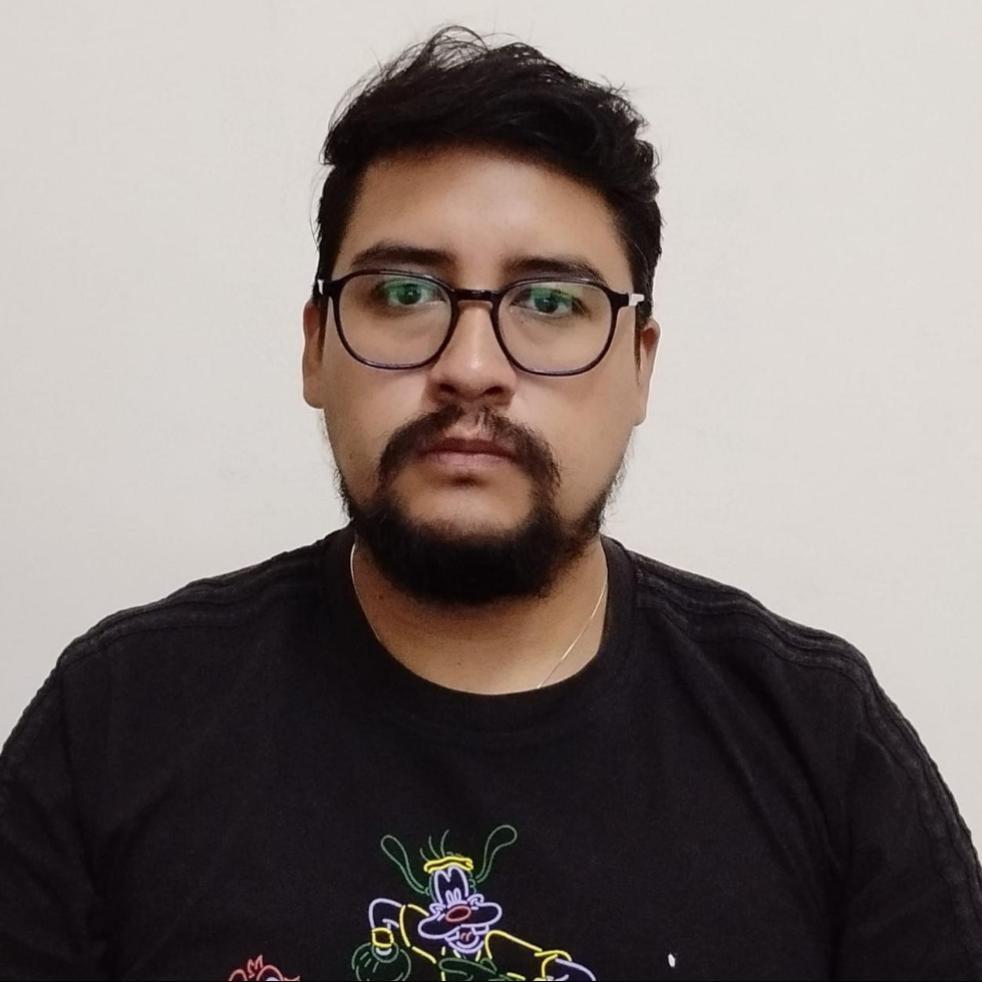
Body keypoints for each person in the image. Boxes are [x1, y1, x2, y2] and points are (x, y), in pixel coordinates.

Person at [1, 24, 980, 982]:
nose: (471, 368)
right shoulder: (118, 722)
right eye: (402, 293)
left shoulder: (820, 741)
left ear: (640, 367)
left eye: (549, 303)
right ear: (315, 347)